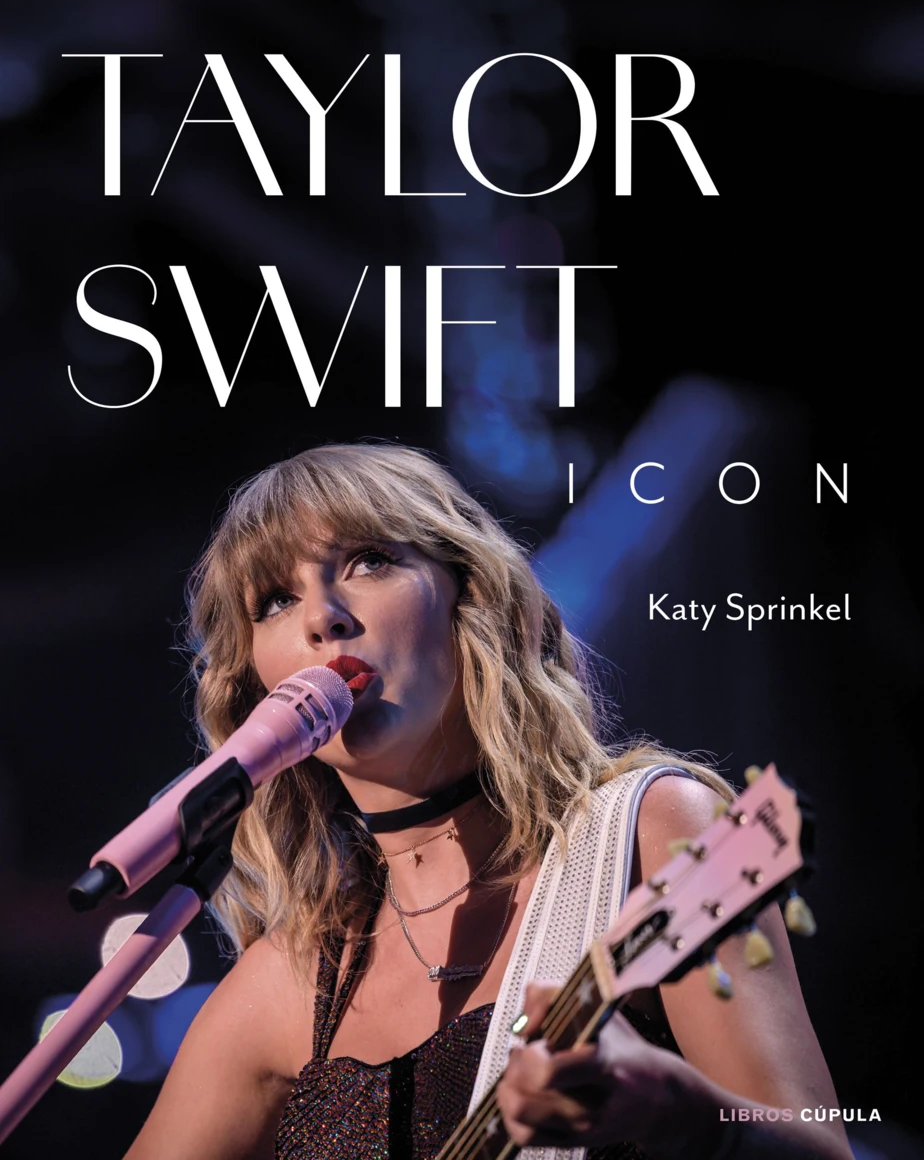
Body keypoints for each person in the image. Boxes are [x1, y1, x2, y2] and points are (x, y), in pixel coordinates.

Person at [124, 442, 850, 1160]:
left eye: (369, 561)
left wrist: (677, 1114)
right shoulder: (291, 980)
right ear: (256, 684)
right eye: (276, 601)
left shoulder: (648, 833)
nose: (323, 617)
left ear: (470, 597)